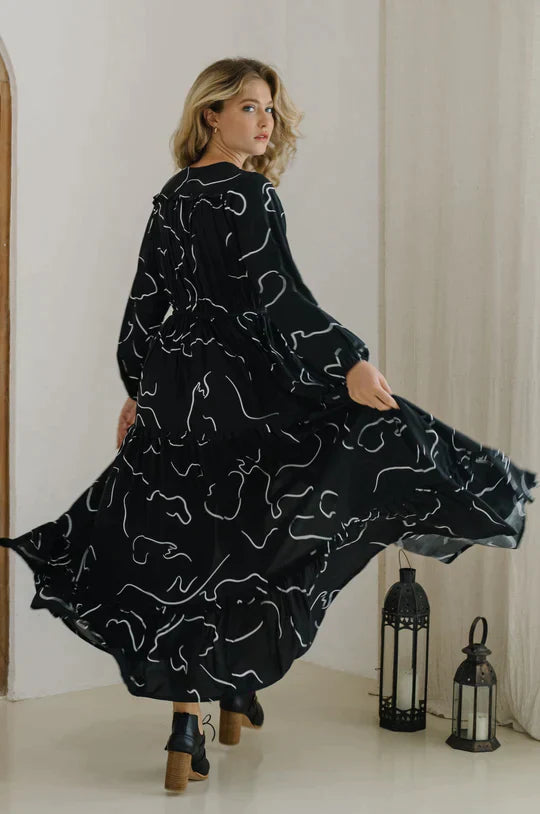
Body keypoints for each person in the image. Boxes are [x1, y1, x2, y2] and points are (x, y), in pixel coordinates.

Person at [1, 57, 537, 794]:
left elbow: (142, 310)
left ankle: (195, 719)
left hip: (178, 391)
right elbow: (280, 299)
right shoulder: (251, 194)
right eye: (250, 106)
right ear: (211, 113)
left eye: (271, 110)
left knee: (192, 544)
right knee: (261, 524)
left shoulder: (172, 196)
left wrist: (141, 390)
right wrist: (348, 362)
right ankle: (232, 688)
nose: (266, 121)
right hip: (244, 388)